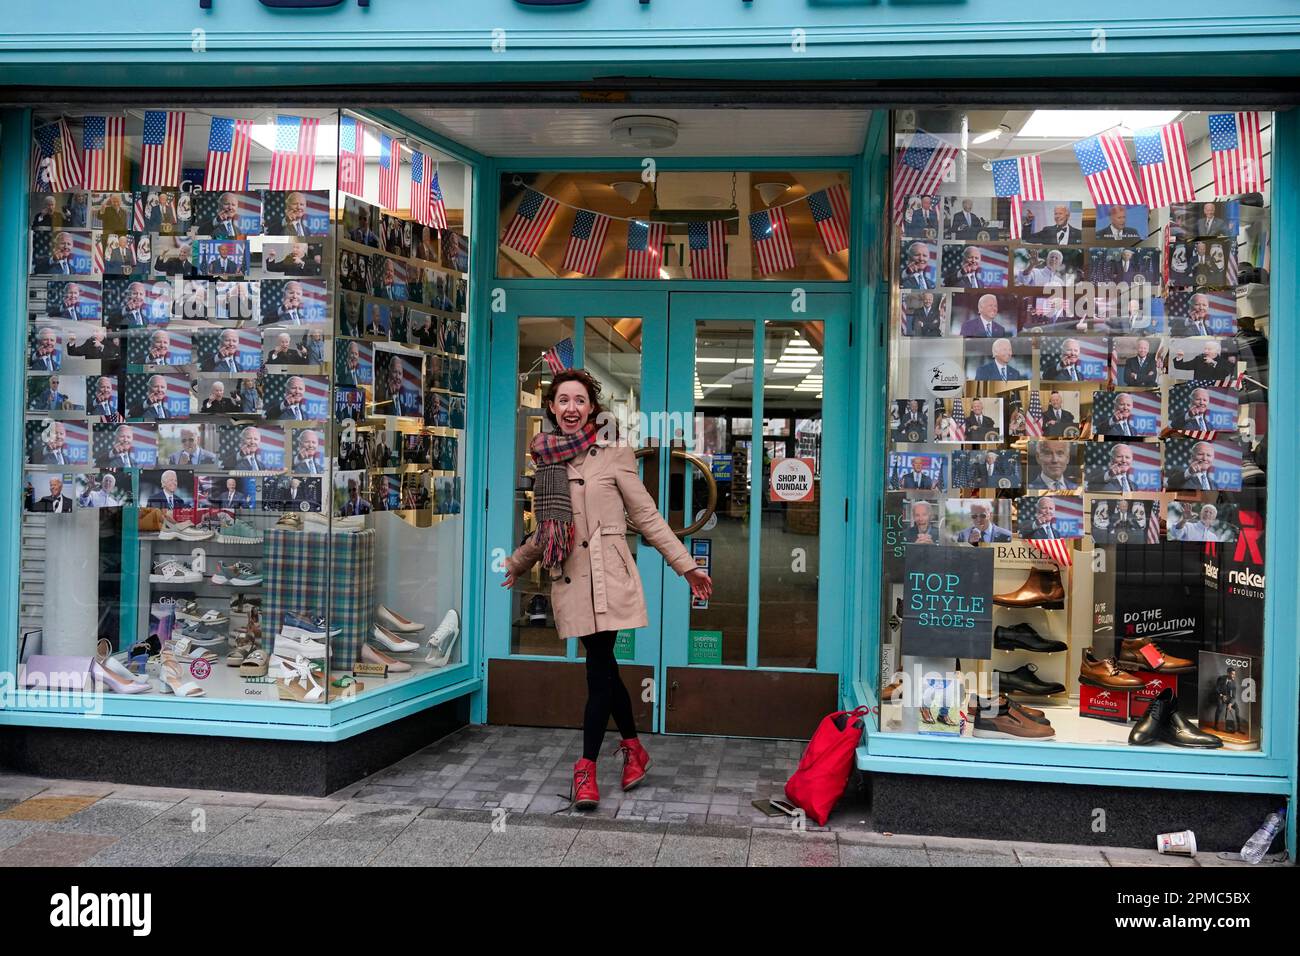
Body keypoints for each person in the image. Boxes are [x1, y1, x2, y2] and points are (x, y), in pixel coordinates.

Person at [502, 368, 711, 810]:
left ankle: (585, 770)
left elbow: (649, 517)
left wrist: (686, 566)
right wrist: (518, 564)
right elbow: (546, 531)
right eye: (563, 401)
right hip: (573, 578)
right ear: (552, 409)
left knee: (598, 671)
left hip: (609, 577)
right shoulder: (545, 459)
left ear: (592, 408)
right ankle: (633, 747)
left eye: (579, 400)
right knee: (605, 666)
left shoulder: (615, 454)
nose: (571, 408)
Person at [1213, 665, 1240, 734]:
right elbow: (1216, 688)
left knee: (1237, 709)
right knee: (1219, 708)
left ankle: (1238, 728)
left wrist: (1230, 704)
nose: (1234, 676)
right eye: (1232, 674)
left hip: (1228, 697)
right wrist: (1221, 695)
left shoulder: (1234, 683)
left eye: (1235, 674)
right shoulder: (1221, 678)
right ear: (1228, 673)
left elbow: (1233, 696)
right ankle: (1215, 725)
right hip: (1220, 696)